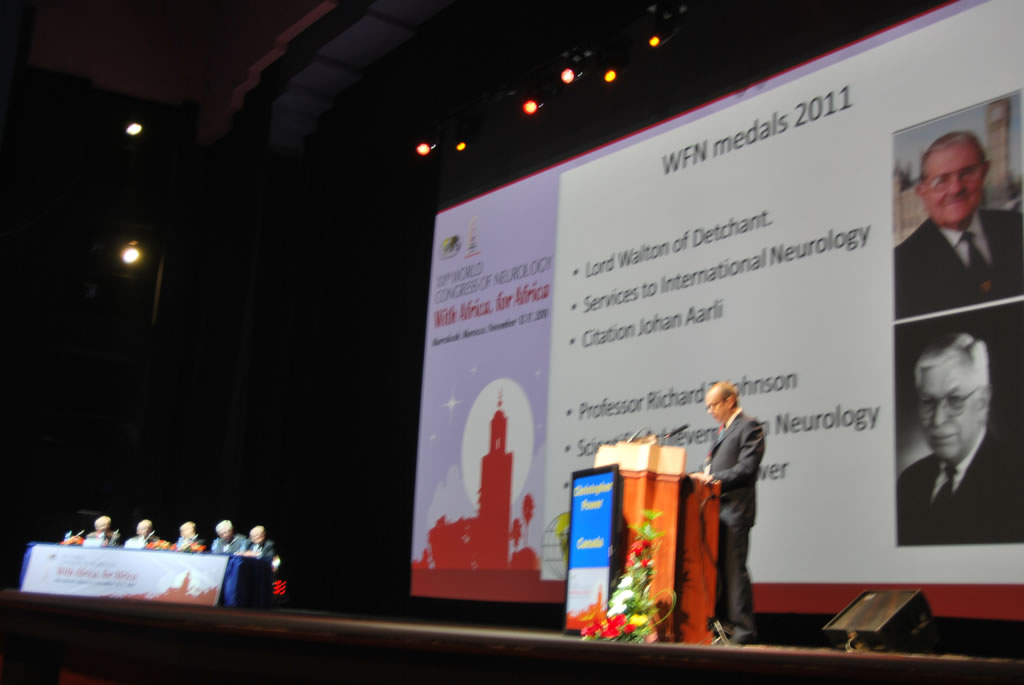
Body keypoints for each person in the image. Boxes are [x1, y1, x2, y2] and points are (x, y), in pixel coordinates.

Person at [896, 333, 1024, 545]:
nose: (938, 420)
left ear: (982, 402)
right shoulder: (910, 483)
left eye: (954, 400)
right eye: (928, 402)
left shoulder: (1016, 480)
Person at [894, 131, 1023, 319]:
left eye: (967, 173)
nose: (956, 189)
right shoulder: (902, 264)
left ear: (984, 172)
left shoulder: (1017, 226)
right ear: (922, 192)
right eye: (941, 181)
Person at [689, 381, 765, 645]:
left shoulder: (749, 427)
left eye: (713, 405)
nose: (710, 411)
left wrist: (712, 479)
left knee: (734, 571)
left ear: (730, 401)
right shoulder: (723, 430)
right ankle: (724, 629)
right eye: (708, 406)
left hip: (735, 511)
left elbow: (746, 469)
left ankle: (744, 631)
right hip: (715, 512)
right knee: (718, 573)